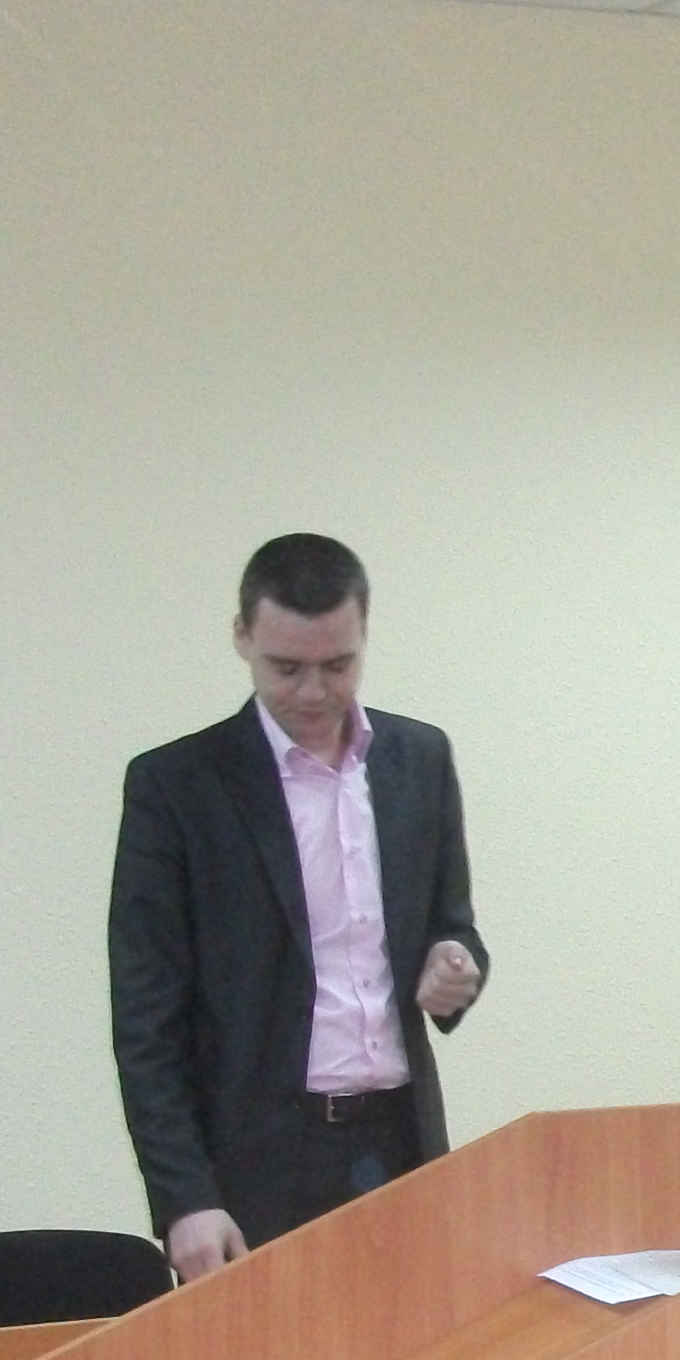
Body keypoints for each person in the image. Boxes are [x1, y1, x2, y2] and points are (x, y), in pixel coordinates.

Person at [108, 533, 486, 1281]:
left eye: (337, 665)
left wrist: (455, 965)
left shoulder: (420, 759)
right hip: (258, 1159)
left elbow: (453, 927)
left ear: (364, 636)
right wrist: (184, 1197)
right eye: (286, 668)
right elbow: (147, 1016)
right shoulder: (177, 786)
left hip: (401, 1139)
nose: (313, 692)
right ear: (242, 637)